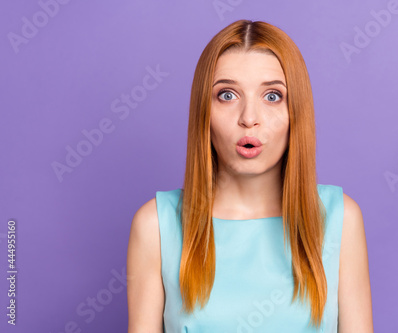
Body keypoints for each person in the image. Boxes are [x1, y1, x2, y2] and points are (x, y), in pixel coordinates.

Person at [127, 19, 373, 333]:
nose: (249, 118)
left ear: (296, 111)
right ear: (204, 111)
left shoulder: (339, 218)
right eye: (227, 95)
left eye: (272, 96)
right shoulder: (156, 226)